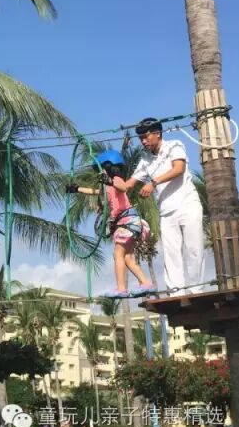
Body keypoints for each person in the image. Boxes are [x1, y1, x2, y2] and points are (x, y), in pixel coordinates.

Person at [125, 117, 206, 295]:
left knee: (193, 248)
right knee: (170, 253)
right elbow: (129, 184)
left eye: (146, 136)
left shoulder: (174, 145)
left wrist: (153, 183)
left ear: (157, 133)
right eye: (140, 138)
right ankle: (176, 292)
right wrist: (107, 184)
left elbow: (178, 169)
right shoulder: (146, 159)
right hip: (166, 211)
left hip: (188, 204)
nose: (143, 141)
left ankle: (196, 290)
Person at [67, 149, 155, 298]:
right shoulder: (107, 186)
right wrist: (77, 189)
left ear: (108, 168)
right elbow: (96, 192)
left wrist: (111, 181)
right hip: (130, 223)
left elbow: (123, 187)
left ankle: (121, 288)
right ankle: (146, 284)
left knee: (117, 254)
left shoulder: (116, 180)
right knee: (127, 257)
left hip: (127, 222)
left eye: (101, 170)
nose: (99, 174)